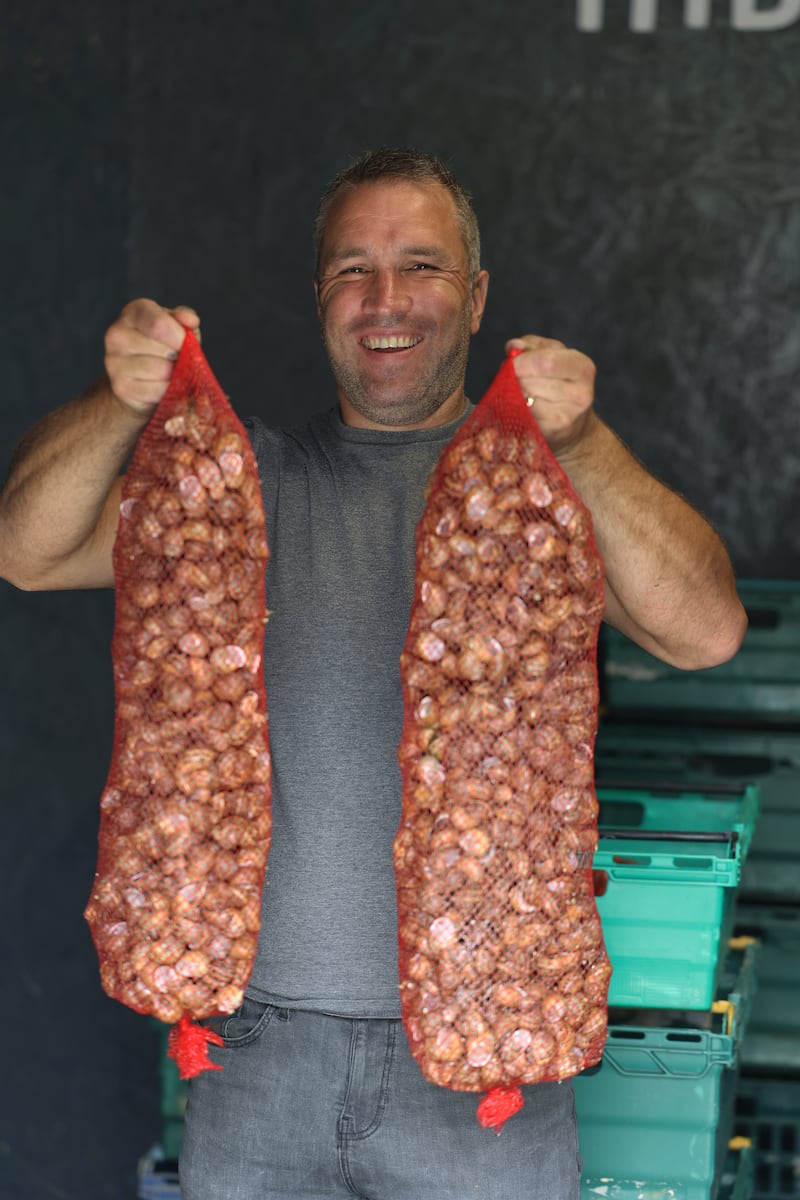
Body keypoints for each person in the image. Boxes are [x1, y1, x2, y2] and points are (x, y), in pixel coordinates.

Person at [0, 147, 746, 1200]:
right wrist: (115, 401)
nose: (384, 299)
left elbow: (705, 630)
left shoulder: (541, 508)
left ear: (477, 296)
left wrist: (581, 446)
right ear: (319, 302)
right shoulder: (231, 494)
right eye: (352, 269)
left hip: (487, 1053)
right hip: (258, 1053)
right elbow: (25, 550)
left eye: (421, 266)